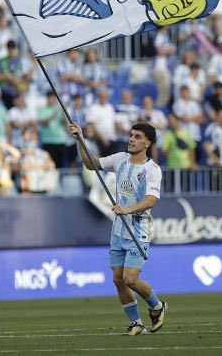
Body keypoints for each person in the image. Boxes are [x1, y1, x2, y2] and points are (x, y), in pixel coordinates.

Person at [69, 121, 166, 336]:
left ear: (148, 143)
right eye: (131, 135)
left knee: (130, 279)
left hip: (139, 229)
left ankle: (157, 306)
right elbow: (90, 164)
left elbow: (151, 200)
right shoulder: (120, 159)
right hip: (118, 230)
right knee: (118, 280)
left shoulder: (152, 170)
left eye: (138, 136)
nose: (132, 139)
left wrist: (127, 209)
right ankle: (137, 324)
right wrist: (80, 140)